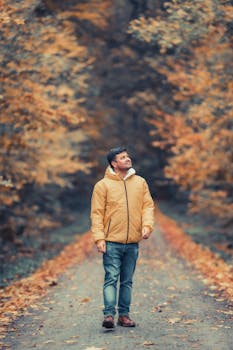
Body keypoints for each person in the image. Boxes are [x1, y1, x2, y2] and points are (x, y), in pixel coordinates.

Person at [90, 146, 155, 329]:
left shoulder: (140, 182)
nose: (128, 159)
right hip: (111, 242)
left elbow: (147, 206)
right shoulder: (102, 185)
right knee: (111, 278)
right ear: (114, 163)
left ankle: (124, 316)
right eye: (122, 157)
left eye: (127, 156)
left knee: (127, 280)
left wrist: (147, 226)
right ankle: (109, 315)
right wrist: (99, 238)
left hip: (132, 243)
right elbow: (96, 213)